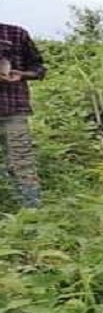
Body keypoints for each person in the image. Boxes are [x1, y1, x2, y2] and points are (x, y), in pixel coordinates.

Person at [0, 21, 47, 209]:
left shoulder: (16, 34)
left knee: (22, 163)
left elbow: (39, 69)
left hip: (13, 110)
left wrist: (23, 74)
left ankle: (32, 213)